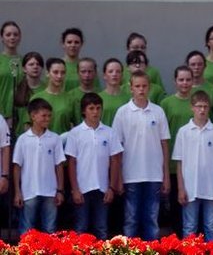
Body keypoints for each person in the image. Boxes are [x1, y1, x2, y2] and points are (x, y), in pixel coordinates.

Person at [112, 70, 171, 240]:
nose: (141, 89)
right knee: (131, 219)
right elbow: (117, 148)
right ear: (130, 88)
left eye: (144, 86)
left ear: (150, 87)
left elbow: (164, 144)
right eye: (137, 86)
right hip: (131, 175)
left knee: (151, 219)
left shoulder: (158, 112)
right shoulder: (122, 112)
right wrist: (118, 177)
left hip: (153, 175)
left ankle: (151, 250)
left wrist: (166, 175)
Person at [64, 93, 123, 239]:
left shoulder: (110, 132)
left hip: (102, 188)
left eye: (98, 108)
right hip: (82, 188)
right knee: (80, 228)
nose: (95, 112)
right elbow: (71, 162)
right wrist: (75, 189)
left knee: (101, 228)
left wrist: (111, 187)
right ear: (84, 111)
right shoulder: (75, 133)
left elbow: (115, 160)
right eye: (91, 108)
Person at [172, 90, 213, 241]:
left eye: (205, 106)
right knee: (190, 227)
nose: (202, 110)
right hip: (190, 188)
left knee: (212, 226)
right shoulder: (183, 132)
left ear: (209, 108)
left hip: (212, 187)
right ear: (192, 107)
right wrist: (181, 188)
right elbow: (179, 162)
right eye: (199, 106)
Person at [13, 98, 65, 236]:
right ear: (33, 116)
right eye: (44, 115)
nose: (47, 118)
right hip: (29, 191)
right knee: (26, 230)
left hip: (50, 191)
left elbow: (59, 165)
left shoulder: (55, 138)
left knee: (50, 230)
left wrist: (60, 190)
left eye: (49, 115)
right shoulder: (23, 139)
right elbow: (17, 166)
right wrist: (18, 192)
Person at [160, 65, 195, 233]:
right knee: (176, 204)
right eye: (181, 79)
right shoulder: (166, 104)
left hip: (195, 163)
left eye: (188, 79)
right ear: (175, 82)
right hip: (174, 162)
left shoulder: (197, 103)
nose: (185, 83)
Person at [30, 58, 74, 134]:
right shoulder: (37, 98)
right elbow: (29, 125)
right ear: (47, 73)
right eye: (55, 72)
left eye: (63, 73)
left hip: (63, 143)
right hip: (41, 143)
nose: (59, 76)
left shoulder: (70, 98)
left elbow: (77, 125)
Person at [13, 51, 45, 133]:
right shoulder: (17, 89)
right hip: (19, 135)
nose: (35, 67)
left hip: (41, 134)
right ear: (24, 69)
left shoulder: (46, 89)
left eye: (38, 64)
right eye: (31, 64)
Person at [0, 21, 23, 128]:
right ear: (2, 38)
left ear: (20, 37)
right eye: (8, 35)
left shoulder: (25, 61)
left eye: (15, 34)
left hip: (19, 116)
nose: (12, 37)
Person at [98, 58, 129, 127]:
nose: (114, 74)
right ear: (104, 76)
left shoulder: (129, 99)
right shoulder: (97, 98)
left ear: (122, 75)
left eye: (118, 71)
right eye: (110, 71)